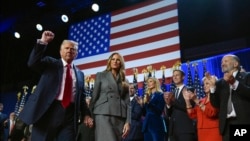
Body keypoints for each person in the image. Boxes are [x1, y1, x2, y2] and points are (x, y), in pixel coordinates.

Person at [18, 30, 92, 141]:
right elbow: (32, 62)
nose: (69, 50)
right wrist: (43, 42)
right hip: (47, 111)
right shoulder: (50, 63)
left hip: (70, 116)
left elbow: (81, 98)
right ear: (60, 51)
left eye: (73, 49)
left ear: (76, 54)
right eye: (66, 48)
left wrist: (86, 114)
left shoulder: (80, 74)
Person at [89, 52, 131, 141]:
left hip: (119, 116)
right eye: (113, 59)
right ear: (109, 61)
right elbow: (94, 96)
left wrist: (128, 122)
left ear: (121, 63)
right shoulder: (101, 75)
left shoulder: (125, 80)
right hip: (103, 113)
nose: (115, 61)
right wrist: (89, 115)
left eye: (118, 60)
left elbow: (128, 103)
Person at [209, 54, 250, 141]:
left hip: (241, 121)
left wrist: (234, 82)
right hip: (226, 125)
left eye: (226, 61)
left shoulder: (246, 76)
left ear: (235, 64)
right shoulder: (220, 83)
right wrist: (212, 88)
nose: (222, 64)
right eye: (221, 62)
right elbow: (216, 104)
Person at [182, 75, 222, 141]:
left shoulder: (217, 99)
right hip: (201, 132)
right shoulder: (202, 100)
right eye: (204, 84)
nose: (204, 86)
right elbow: (192, 115)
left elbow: (212, 113)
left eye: (207, 83)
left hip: (213, 131)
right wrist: (187, 101)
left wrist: (196, 100)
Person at [164, 69, 197, 141]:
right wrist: (168, 104)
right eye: (173, 76)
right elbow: (169, 114)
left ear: (183, 77)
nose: (175, 77)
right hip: (173, 131)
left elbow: (188, 108)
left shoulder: (190, 90)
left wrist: (174, 100)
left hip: (185, 129)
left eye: (177, 75)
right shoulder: (172, 92)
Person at [137, 77, 166, 141]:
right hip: (147, 125)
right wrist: (142, 105)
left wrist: (149, 103)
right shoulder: (148, 96)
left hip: (156, 125)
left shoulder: (160, 95)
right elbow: (144, 113)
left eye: (150, 81)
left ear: (155, 83)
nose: (148, 83)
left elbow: (159, 110)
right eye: (148, 82)